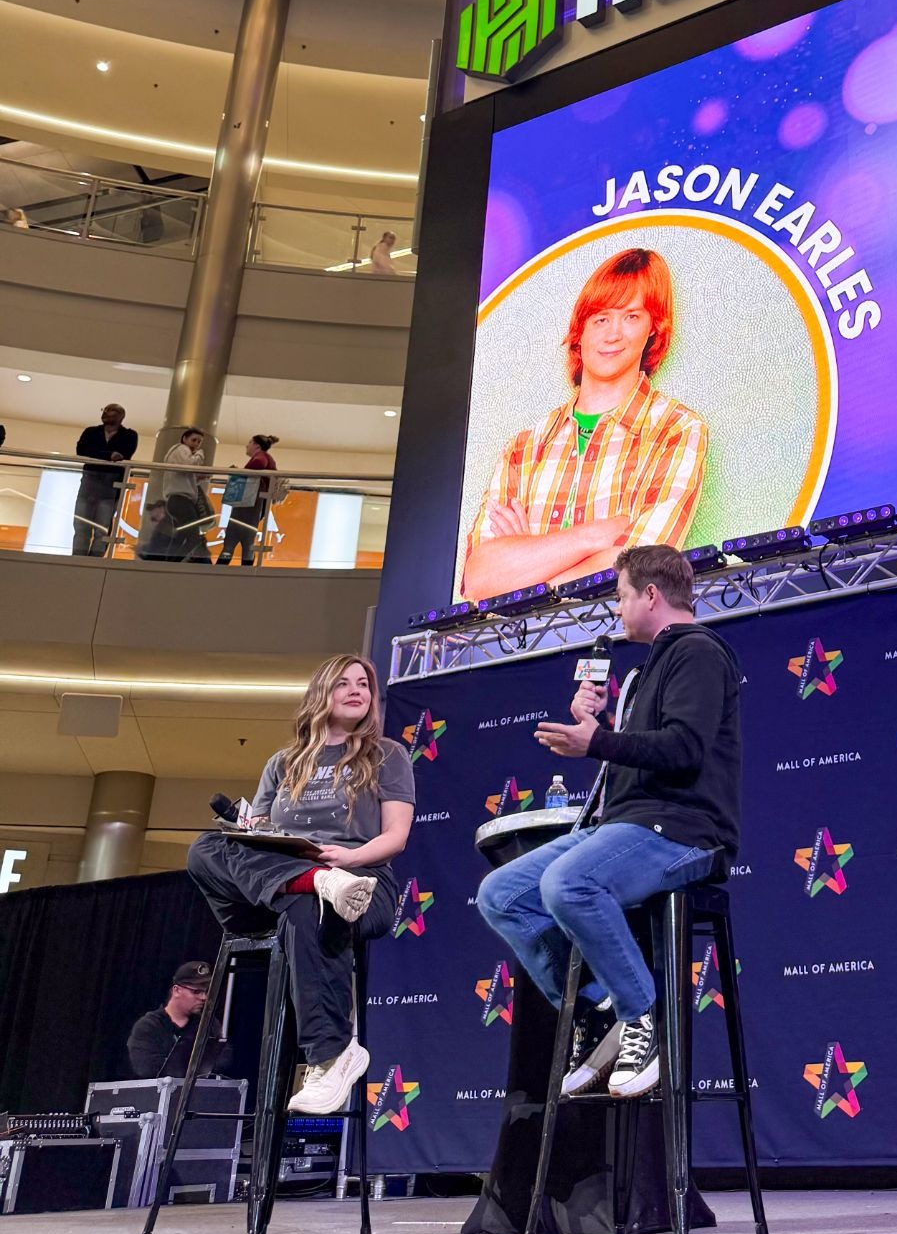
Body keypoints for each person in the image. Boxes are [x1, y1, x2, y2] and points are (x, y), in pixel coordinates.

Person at [476, 543, 741, 1100]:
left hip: (683, 830)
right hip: (628, 824)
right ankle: (600, 1013)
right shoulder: (648, 669)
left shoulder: (697, 652)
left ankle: (643, 1017)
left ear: (651, 594)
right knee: (500, 893)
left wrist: (596, 741)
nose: (617, 610)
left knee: (568, 882)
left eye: (621, 597)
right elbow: (640, 755)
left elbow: (685, 749)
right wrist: (596, 723)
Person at [185, 655, 414, 1116]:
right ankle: (314, 881)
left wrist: (347, 858)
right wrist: (254, 832)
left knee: (308, 906)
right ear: (320, 693)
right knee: (205, 847)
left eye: (364, 684)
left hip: (360, 883)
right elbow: (256, 837)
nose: (356, 690)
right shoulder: (283, 763)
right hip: (280, 883)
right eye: (343, 683)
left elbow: (396, 837)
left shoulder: (386, 755)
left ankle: (329, 1058)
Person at [461, 247, 708, 600]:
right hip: (520, 640)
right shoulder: (523, 449)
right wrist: (593, 536)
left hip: (618, 635)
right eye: (601, 318)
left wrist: (529, 561)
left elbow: (640, 569)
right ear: (580, 330)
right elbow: (480, 579)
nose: (613, 334)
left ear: (653, 327)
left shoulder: (676, 430)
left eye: (631, 317)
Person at [126, 960, 232, 1079]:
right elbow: (146, 1067)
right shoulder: (149, 1026)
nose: (204, 997)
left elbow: (224, 1057)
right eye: (196, 991)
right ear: (176, 990)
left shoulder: (208, 1024)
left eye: (206, 991)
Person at [73, 403, 139, 556]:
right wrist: (108, 455)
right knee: (81, 524)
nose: (107, 413)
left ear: (121, 416)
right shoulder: (91, 431)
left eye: (112, 411)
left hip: (112, 484)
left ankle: (95, 561)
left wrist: (99, 454)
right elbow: (81, 450)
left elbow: (124, 454)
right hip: (90, 481)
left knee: (102, 527)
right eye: (105, 410)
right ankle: (77, 558)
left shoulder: (129, 435)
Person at [217, 433, 279, 566]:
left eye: (250, 442)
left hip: (248, 504)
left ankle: (220, 568)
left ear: (256, 445)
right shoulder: (268, 459)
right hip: (255, 505)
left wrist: (240, 473)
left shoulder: (260, 457)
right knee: (246, 540)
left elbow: (259, 464)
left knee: (232, 539)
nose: (247, 445)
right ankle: (245, 568)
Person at [162, 425, 213, 562]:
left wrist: (200, 477)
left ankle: (168, 563)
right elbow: (190, 465)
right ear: (184, 439)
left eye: (199, 442)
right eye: (194, 440)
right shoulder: (182, 449)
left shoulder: (177, 453)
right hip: (181, 500)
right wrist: (200, 454)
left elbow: (185, 473)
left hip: (175, 500)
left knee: (180, 535)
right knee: (193, 536)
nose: (196, 444)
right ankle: (173, 563)